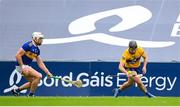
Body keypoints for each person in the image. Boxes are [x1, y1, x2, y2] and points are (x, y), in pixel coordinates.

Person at [11, 32, 53, 97]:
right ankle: (31, 95)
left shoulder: (37, 50)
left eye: (42, 39)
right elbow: (17, 55)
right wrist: (22, 66)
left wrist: (48, 72)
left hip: (25, 66)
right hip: (21, 66)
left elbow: (40, 62)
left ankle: (16, 90)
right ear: (35, 38)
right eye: (40, 39)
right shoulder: (28, 45)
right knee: (39, 76)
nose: (41, 40)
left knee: (35, 82)